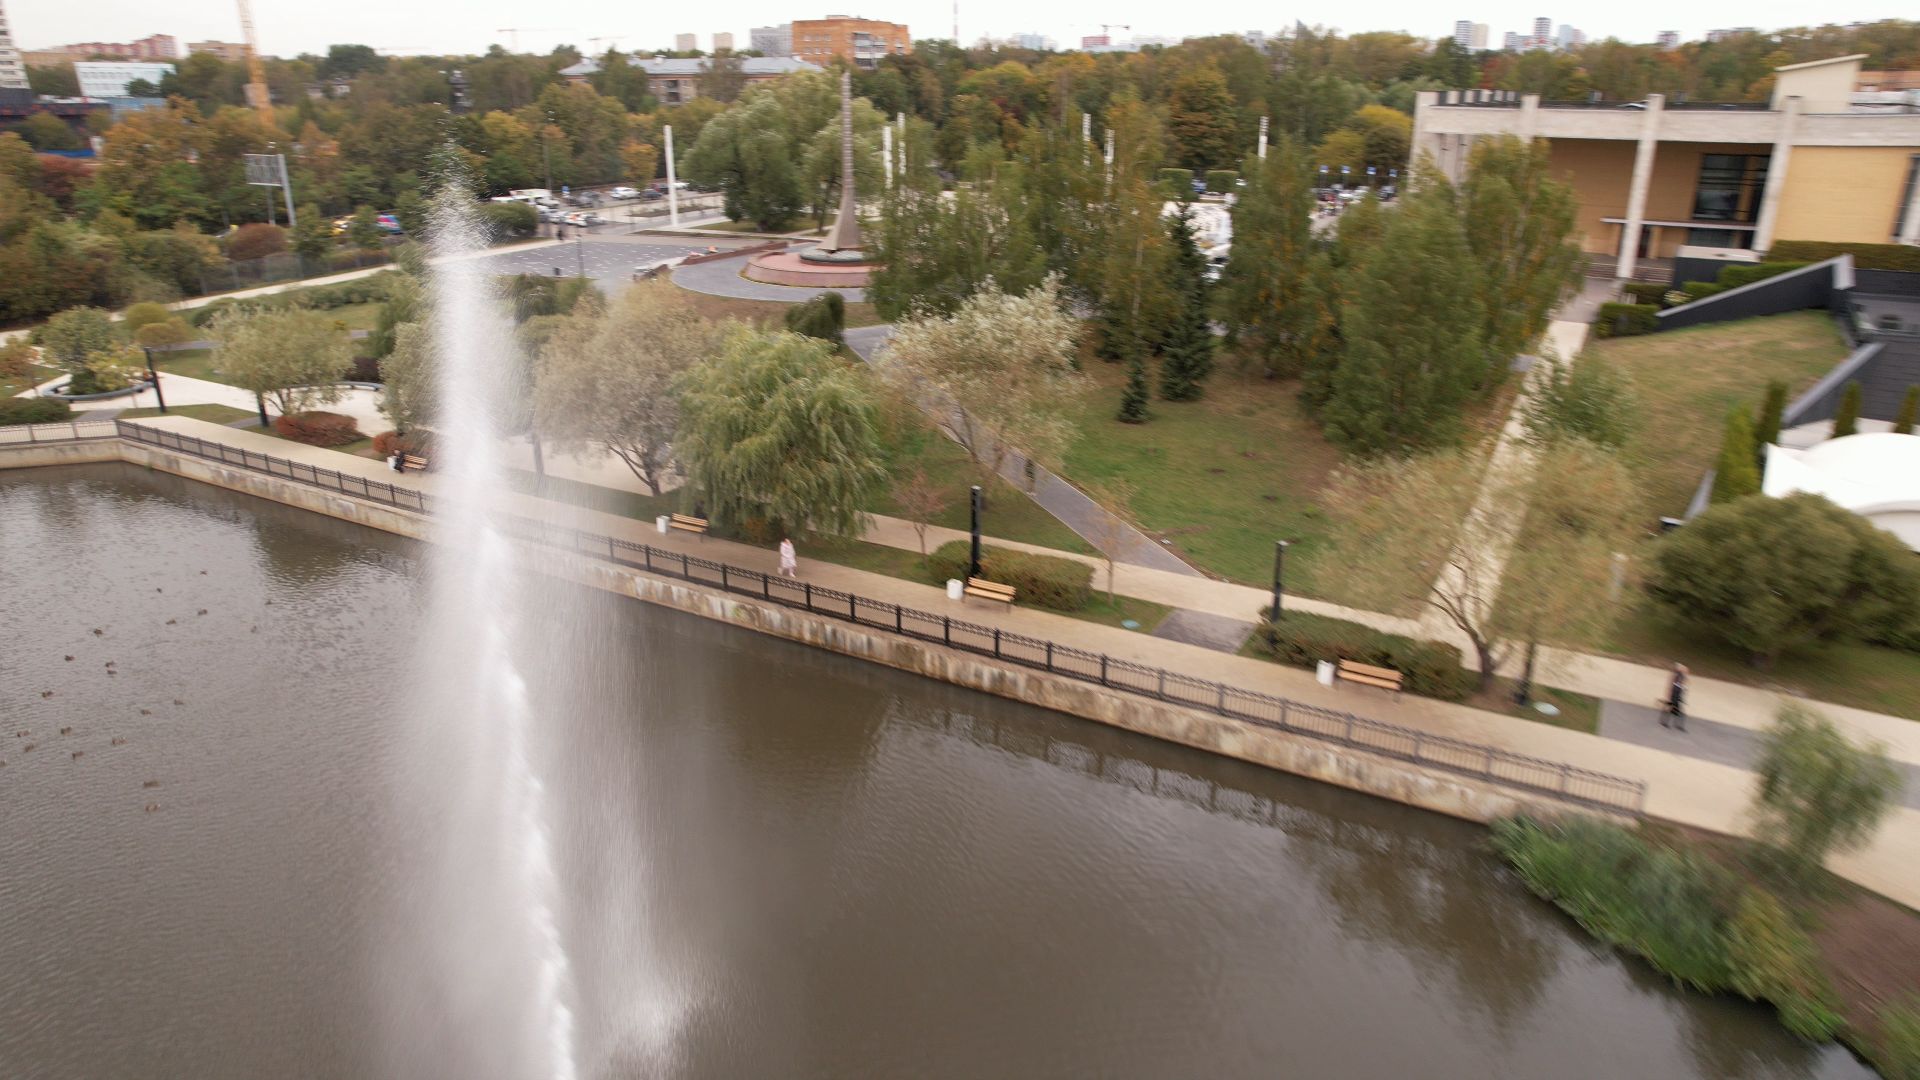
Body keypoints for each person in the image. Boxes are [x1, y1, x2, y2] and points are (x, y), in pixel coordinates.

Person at [1661, 663, 1689, 731]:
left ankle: (1677, 725)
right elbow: (1672, 685)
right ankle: (1665, 722)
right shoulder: (1676, 675)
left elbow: (1682, 686)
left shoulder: (1682, 676)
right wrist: (1669, 694)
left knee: (1678, 711)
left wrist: (1682, 696)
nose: (1685, 670)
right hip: (1674, 695)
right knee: (1672, 709)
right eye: (1684, 669)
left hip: (1678, 695)